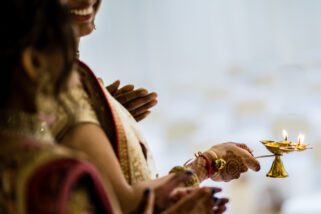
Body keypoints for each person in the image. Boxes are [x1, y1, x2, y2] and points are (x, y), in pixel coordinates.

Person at [0, 0, 121, 213]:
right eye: (72, 69)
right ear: (34, 63)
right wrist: (197, 169)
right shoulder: (57, 177)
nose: (77, 82)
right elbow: (125, 201)